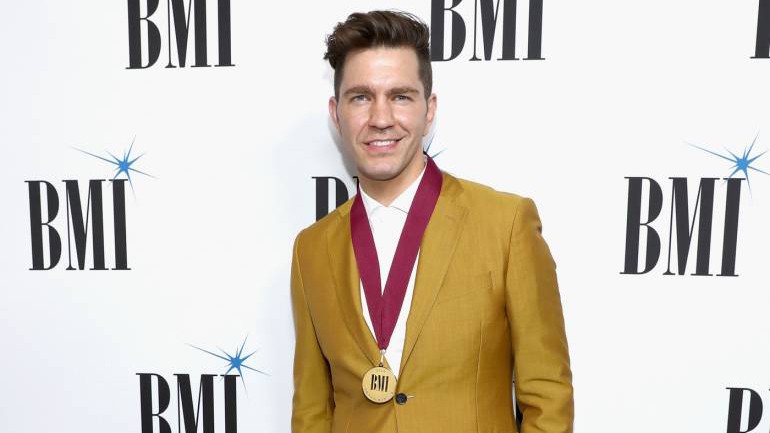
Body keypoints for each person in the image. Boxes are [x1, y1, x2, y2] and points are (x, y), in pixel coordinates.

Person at [290, 10, 573, 433]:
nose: (381, 118)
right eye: (361, 97)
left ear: (429, 110)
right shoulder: (310, 249)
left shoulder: (506, 224)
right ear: (337, 112)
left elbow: (548, 396)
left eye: (401, 96)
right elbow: (312, 411)